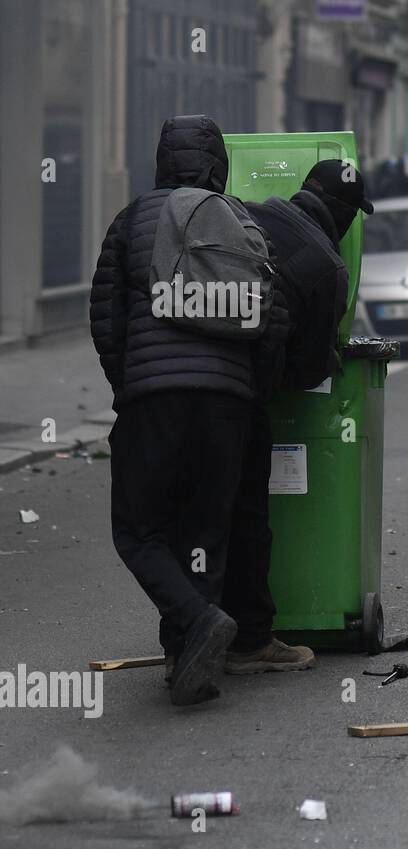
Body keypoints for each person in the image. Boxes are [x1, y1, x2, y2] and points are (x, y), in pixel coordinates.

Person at [89, 115, 288, 706]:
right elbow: (270, 320)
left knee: (140, 529)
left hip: (155, 400)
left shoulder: (132, 220)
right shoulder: (240, 219)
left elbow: (107, 318)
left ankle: (192, 632)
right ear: (219, 164)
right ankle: (188, 660)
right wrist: (252, 394)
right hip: (227, 405)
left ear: (158, 161)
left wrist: (130, 386)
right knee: (206, 532)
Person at [215, 159, 371, 676]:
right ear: (346, 217)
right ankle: (253, 638)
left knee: (196, 515)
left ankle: (192, 629)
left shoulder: (245, 214)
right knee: (249, 518)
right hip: (245, 397)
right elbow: (306, 372)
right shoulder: (329, 267)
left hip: (192, 385)